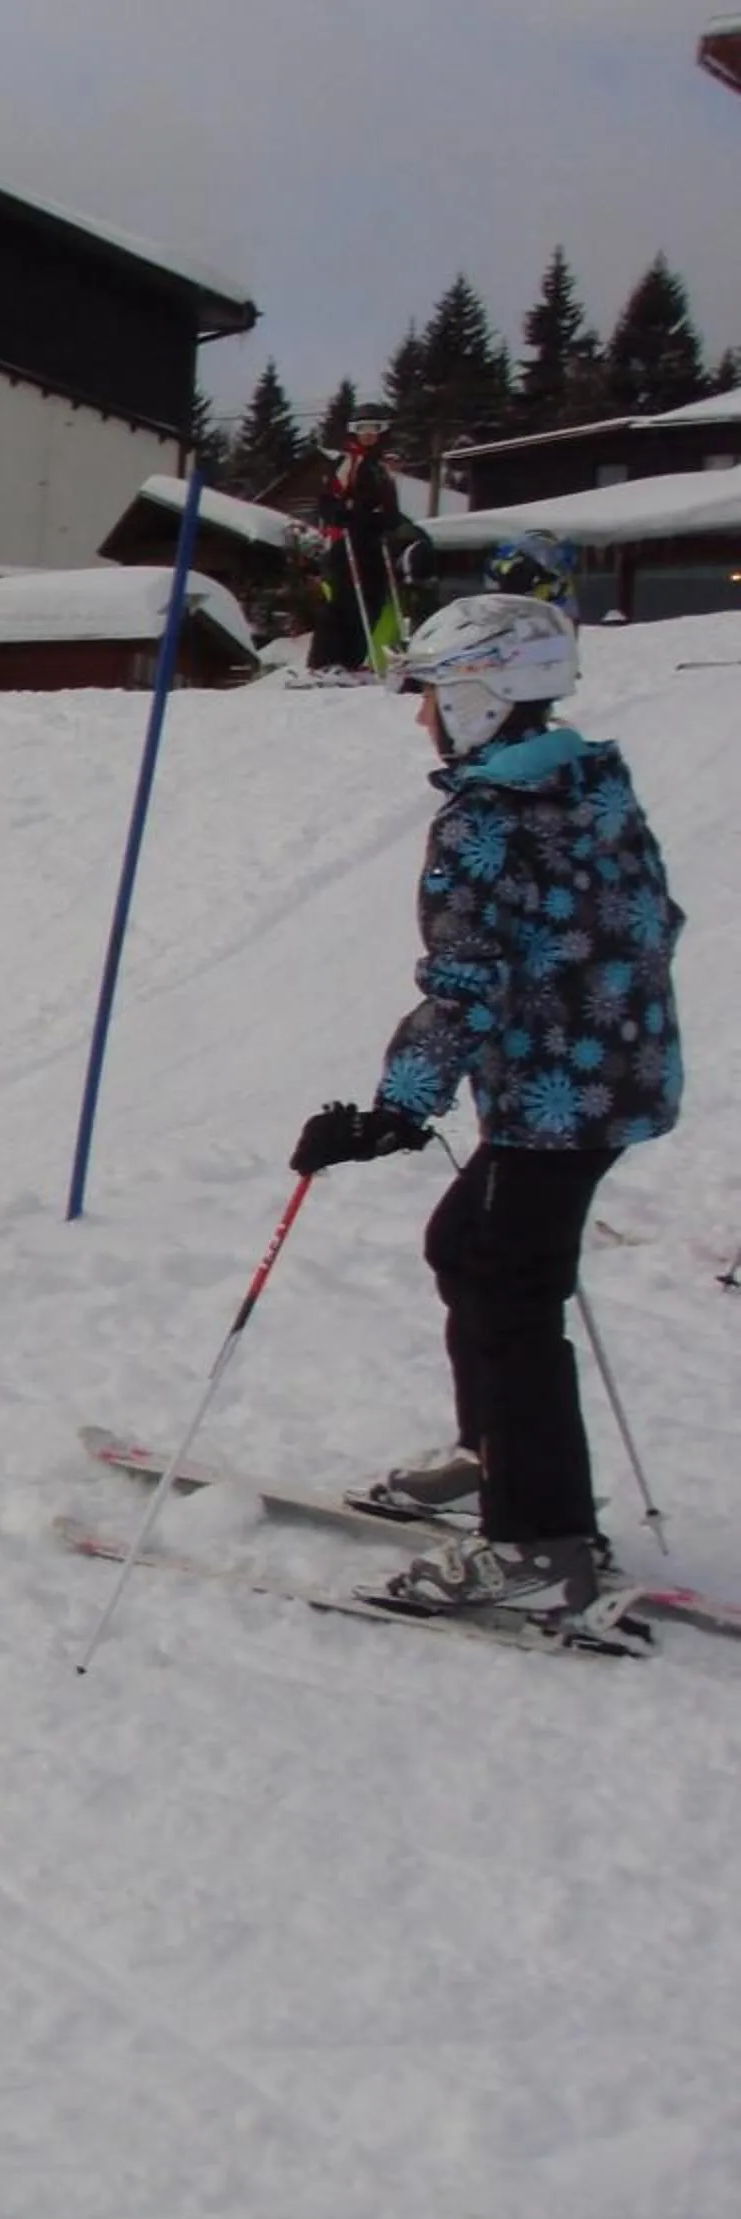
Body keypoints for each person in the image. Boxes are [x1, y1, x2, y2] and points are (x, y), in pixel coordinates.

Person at [287, 594, 682, 1632]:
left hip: (554, 1097)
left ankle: (537, 1542)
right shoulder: (594, 782)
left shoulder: (484, 820)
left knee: (507, 1289)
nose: (423, 718)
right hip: (621, 1075)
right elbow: (656, 919)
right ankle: (497, 1450)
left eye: (434, 695)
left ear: (482, 696)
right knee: (470, 1246)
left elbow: (464, 982)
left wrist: (395, 1113)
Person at [307, 418, 404, 678]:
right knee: (344, 599)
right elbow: (328, 499)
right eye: (362, 429)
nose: (368, 434)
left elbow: (390, 507)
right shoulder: (349, 461)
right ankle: (325, 660)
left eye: (374, 428)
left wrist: (392, 523)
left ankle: (351, 660)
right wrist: (339, 515)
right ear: (354, 432)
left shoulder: (382, 468)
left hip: (374, 541)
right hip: (347, 541)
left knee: (372, 600)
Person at [483, 527, 579, 622]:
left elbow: (567, 612)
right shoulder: (515, 567)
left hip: (543, 619)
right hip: (517, 615)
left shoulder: (555, 580)